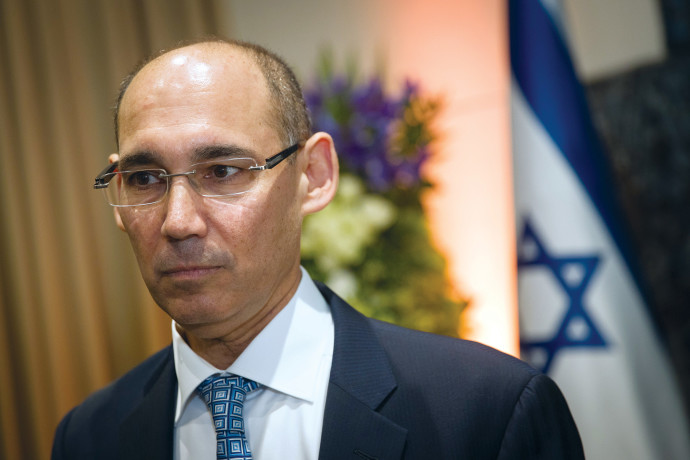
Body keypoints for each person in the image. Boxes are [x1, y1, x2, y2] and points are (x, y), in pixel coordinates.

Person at [52, 38, 584, 460]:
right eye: (145, 179)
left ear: (314, 175)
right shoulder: (89, 438)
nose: (178, 222)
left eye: (223, 171)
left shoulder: (486, 411)